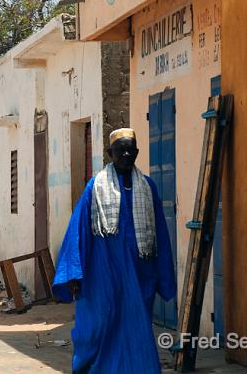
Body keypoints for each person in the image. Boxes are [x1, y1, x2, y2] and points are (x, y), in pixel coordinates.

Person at [53, 128, 177, 374]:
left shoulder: (148, 187)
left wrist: (161, 272)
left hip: (140, 274)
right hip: (103, 274)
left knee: (136, 322)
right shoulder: (95, 187)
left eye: (131, 149)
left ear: (138, 152)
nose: (126, 154)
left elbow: (159, 232)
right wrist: (75, 273)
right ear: (110, 153)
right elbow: (78, 230)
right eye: (121, 150)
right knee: (99, 323)